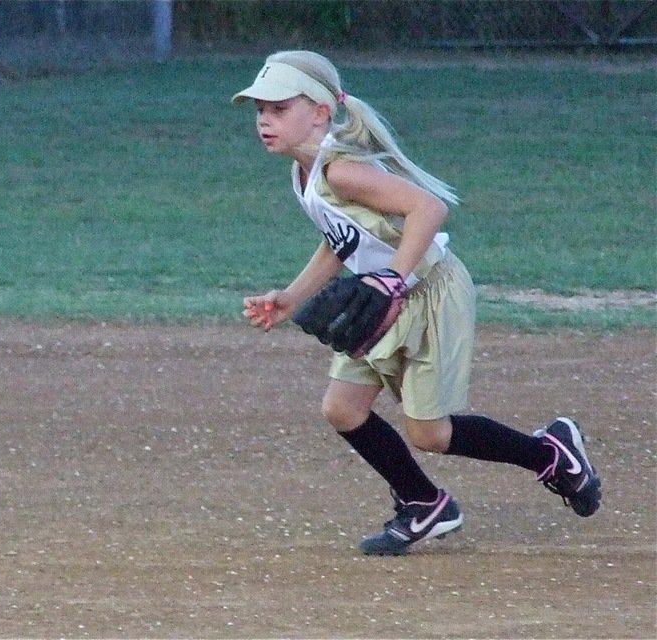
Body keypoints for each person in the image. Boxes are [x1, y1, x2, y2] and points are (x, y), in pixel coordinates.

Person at [233, 50, 602, 556]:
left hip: (428, 292)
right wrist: (291, 297)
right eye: (260, 111)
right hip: (382, 295)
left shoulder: (341, 170)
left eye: (278, 109)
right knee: (342, 409)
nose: (264, 121)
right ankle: (423, 503)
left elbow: (429, 208)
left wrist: (391, 279)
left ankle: (551, 454)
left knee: (429, 432)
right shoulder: (306, 174)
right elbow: (341, 239)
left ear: (319, 111)